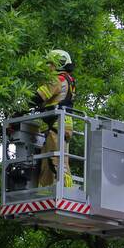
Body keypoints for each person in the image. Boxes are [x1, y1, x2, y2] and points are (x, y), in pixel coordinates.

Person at [33, 49, 76, 189]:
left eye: (50, 64)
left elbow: (38, 96)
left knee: (58, 162)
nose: (48, 67)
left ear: (59, 64)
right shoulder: (67, 80)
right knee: (47, 164)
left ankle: (67, 192)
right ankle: (43, 193)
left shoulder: (58, 79)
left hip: (57, 126)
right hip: (57, 126)